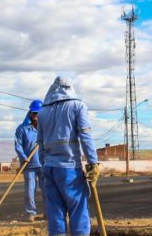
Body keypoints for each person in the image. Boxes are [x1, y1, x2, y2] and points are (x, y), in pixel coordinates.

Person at [36, 76, 100, 236]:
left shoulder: (43, 112)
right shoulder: (78, 106)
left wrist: (44, 165)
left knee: (55, 214)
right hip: (69, 169)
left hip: (49, 169)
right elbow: (85, 136)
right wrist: (93, 162)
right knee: (78, 211)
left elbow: (40, 143)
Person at [15, 99, 44, 222]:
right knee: (29, 191)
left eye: (38, 113)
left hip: (44, 163)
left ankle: (49, 212)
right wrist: (23, 157)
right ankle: (31, 213)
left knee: (47, 190)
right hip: (29, 164)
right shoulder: (22, 129)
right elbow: (18, 145)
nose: (36, 116)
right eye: (34, 113)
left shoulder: (46, 128)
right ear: (30, 113)